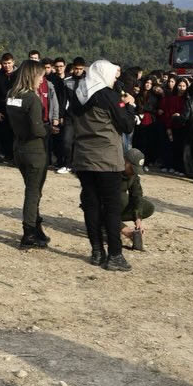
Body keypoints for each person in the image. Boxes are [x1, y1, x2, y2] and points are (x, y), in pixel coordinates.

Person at [71, 59, 136, 271]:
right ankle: (115, 255)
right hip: (107, 159)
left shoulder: (78, 95)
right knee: (111, 207)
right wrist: (130, 105)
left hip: (83, 157)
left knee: (91, 206)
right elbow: (126, 125)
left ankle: (97, 251)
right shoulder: (107, 96)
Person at [5, 60, 51, 249]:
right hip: (35, 151)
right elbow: (37, 128)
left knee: (33, 191)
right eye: (40, 76)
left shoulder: (11, 95)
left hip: (19, 149)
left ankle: (36, 229)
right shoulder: (32, 98)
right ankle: (29, 233)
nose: (42, 80)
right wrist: (49, 129)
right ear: (32, 75)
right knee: (33, 192)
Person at [120, 148, 155, 248]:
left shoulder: (133, 175)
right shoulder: (112, 173)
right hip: (97, 206)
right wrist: (122, 227)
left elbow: (137, 196)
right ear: (125, 161)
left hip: (114, 207)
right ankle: (104, 225)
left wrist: (138, 218)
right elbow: (102, 202)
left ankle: (112, 222)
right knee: (120, 200)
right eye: (132, 168)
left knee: (147, 207)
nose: (133, 172)